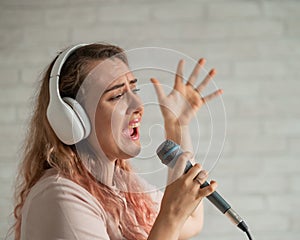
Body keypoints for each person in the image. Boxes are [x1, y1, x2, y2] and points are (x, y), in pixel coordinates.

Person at [13, 43, 222, 240]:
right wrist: (171, 214)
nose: (138, 104)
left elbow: (192, 221)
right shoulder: (60, 196)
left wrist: (178, 126)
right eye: (117, 95)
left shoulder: (122, 188)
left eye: (134, 90)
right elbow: (175, 220)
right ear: (73, 118)